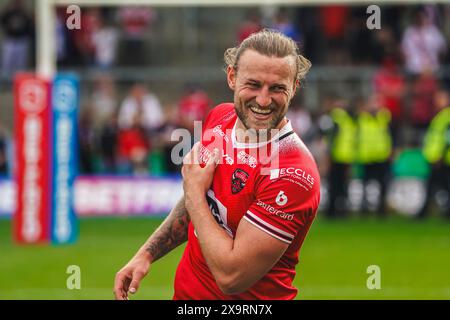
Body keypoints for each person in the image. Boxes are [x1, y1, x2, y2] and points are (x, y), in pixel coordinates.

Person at [114, 30, 320, 300]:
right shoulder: (220, 117)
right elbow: (203, 200)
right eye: (253, 84)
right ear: (232, 77)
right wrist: (147, 254)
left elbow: (231, 278)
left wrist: (195, 194)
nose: (263, 100)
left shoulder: (293, 175)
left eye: (277, 88)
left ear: (294, 87)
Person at [356, 95, 393, 217]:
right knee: (365, 185)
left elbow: (391, 135)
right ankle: (364, 208)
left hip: (382, 156)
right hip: (367, 156)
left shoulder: (385, 117)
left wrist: (391, 150)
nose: (374, 106)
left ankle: (381, 209)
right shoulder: (361, 118)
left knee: (382, 184)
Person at [418, 89, 450, 219]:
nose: (438, 101)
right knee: (436, 186)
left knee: (436, 186)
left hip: (442, 158)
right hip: (435, 157)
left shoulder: (446, 116)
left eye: (441, 98)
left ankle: (423, 213)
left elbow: (447, 138)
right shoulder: (439, 115)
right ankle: (425, 212)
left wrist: (440, 155)